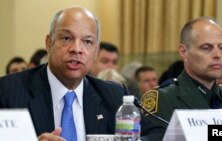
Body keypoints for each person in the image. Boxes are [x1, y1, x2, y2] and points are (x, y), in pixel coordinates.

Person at [0, 7, 129, 141]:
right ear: (49, 43)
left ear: (96, 51)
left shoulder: (115, 96)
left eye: (87, 42)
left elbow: (149, 135)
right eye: (67, 38)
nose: (77, 49)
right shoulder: (7, 91)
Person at [140, 17, 222, 141]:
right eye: (206, 48)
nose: (217, 55)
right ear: (183, 51)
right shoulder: (163, 99)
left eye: (221, 47)